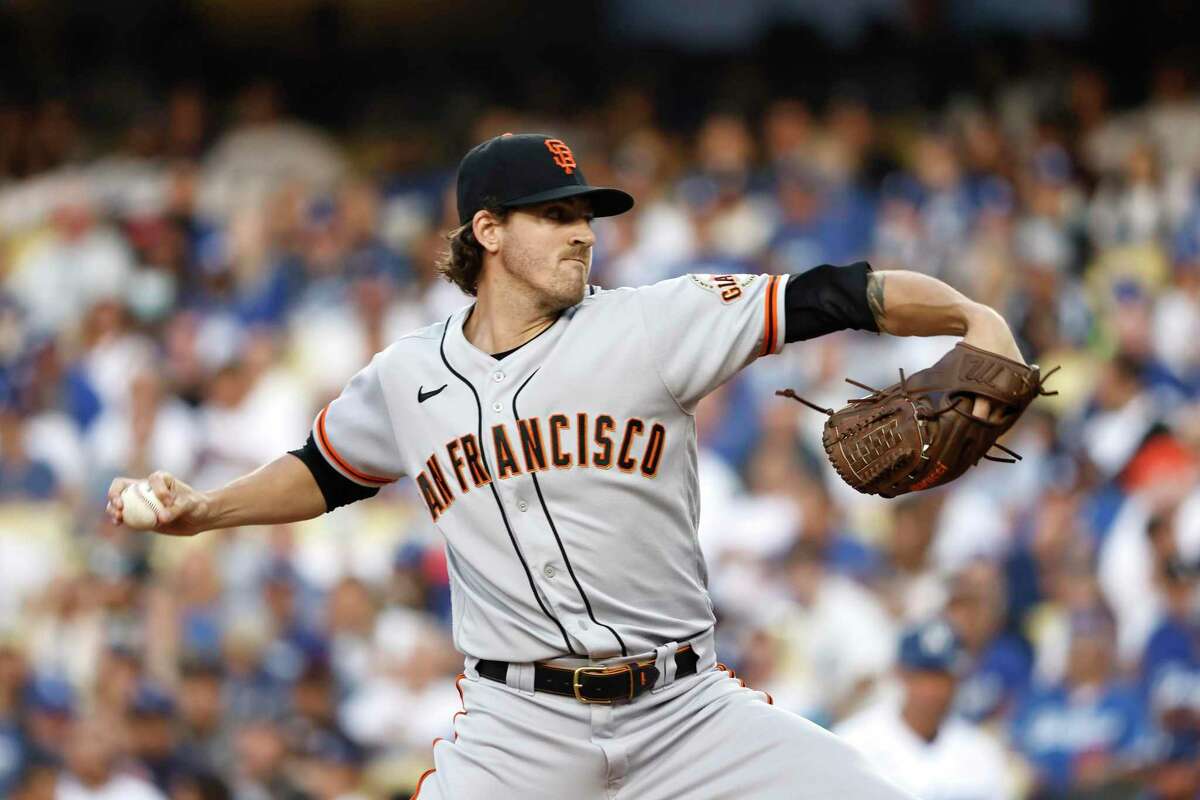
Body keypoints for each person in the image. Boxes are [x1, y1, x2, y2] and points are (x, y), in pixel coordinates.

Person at [107, 132, 1027, 799]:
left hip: (685, 710)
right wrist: (206, 511)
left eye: (586, 213)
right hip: (518, 729)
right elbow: (326, 470)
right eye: (555, 215)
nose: (582, 232)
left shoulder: (653, 322)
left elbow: (840, 292)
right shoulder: (406, 377)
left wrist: (972, 319)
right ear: (488, 232)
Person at [835, 619, 1012, 800]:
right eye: (923, 676)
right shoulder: (853, 743)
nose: (933, 689)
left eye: (943, 677)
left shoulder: (982, 752)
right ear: (900, 673)